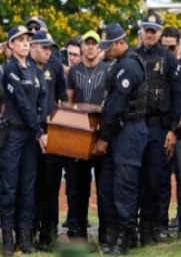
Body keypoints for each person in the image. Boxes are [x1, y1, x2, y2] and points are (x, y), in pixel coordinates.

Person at [94, 23, 148, 255]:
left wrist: (104, 138)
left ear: (120, 43)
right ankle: (115, 235)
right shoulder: (118, 64)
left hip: (128, 131)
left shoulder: (129, 65)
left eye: (108, 46)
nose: (105, 51)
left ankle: (125, 239)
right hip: (119, 132)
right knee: (109, 187)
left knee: (124, 187)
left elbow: (117, 106)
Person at [0, 26, 49, 256]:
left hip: (31, 136)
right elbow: (21, 101)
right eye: (20, 40)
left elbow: (43, 101)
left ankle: (25, 236)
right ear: (11, 44)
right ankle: (8, 237)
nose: (25, 43)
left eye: (28, 39)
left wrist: (40, 127)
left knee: (28, 186)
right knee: (10, 186)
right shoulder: (10, 69)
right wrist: (39, 131)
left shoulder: (36, 71)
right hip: (15, 134)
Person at [136, 13, 181, 245]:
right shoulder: (132, 57)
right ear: (141, 31)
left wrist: (173, 129)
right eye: (146, 29)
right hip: (135, 126)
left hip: (159, 127)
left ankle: (150, 228)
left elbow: (177, 96)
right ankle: (132, 228)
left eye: (154, 30)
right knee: (134, 179)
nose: (149, 33)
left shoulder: (168, 59)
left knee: (155, 180)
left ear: (160, 32)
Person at [65, 30, 110, 243]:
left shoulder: (107, 70)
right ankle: (77, 231)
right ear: (82, 46)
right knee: (77, 187)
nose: (90, 47)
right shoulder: (74, 71)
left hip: (101, 132)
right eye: (87, 43)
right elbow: (68, 101)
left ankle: (105, 232)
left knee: (103, 186)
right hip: (80, 133)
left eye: (94, 43)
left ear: (99, 47)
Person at [29, 30, 66, 248]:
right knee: (31, 184)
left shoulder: (55, 65)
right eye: (44, 47)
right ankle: (29, 231)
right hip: (30, 133)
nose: (48, 52)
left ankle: (49, 233)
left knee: (51, 184)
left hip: (52, 130)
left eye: (50, 48)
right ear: (33, 47)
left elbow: (62, 96)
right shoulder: (25, 68)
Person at [160, 27, 181, 239]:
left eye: (171, 47)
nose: (168, 51)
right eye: (165, 47)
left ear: (179, 46)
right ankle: (160, 224)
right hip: (160, 130)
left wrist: (175, 127)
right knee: (160, 178)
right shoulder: (155, 67)